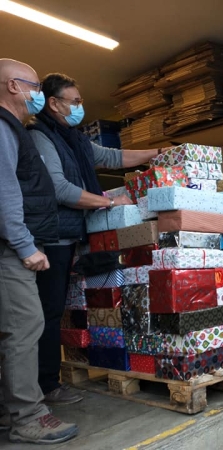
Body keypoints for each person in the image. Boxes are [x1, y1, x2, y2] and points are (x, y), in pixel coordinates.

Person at [26, 72, 168, 405]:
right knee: (48, 311)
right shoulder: (40, 136)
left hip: (74, 235)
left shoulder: (73, 139)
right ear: (54, 103)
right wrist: (108, 201)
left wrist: (157, 152)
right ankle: (45, 384)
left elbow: (112, 157)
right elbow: (59, 188)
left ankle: (47, 380)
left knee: (60, 306)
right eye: (74, 102)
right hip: (53, 237)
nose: (80, 107)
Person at [0, 59, 78, 444]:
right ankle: (28, 415)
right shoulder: (3, 129)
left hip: (15, 245)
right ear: (13, 86)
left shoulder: (15, 129)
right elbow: (6, 193)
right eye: (34, 87)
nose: (38, 95)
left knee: (16, 329)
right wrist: (26, 246)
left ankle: (8, 409)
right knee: (26, 328)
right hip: (11, 250)